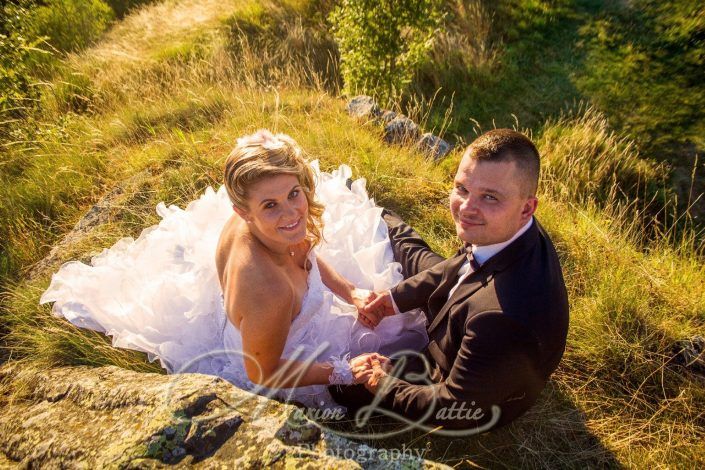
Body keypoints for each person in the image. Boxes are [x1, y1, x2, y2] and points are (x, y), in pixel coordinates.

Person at [40, 129, 428, 410]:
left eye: (294, 194)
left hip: (272, 321)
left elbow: (304, 253)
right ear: (243, 212)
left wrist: (350, 292)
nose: (292, 212)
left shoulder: (277, 228)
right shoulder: (267, 289)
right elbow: (263, 373)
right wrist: (343, 370)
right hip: (276, 355)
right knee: (404, 359)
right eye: (270, 205)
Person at [330, 129, 570, 432]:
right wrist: (392, 301)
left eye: (489, 197)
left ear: (527, 208)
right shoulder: (512, 228)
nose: (467, 208)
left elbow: (453, 406)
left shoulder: (501, 319)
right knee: (406, 246)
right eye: (462, 188)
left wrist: (384, 382)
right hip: (472, 300)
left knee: (342, 384)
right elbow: (459, 265)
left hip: (455, 378)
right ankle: (374, 214)